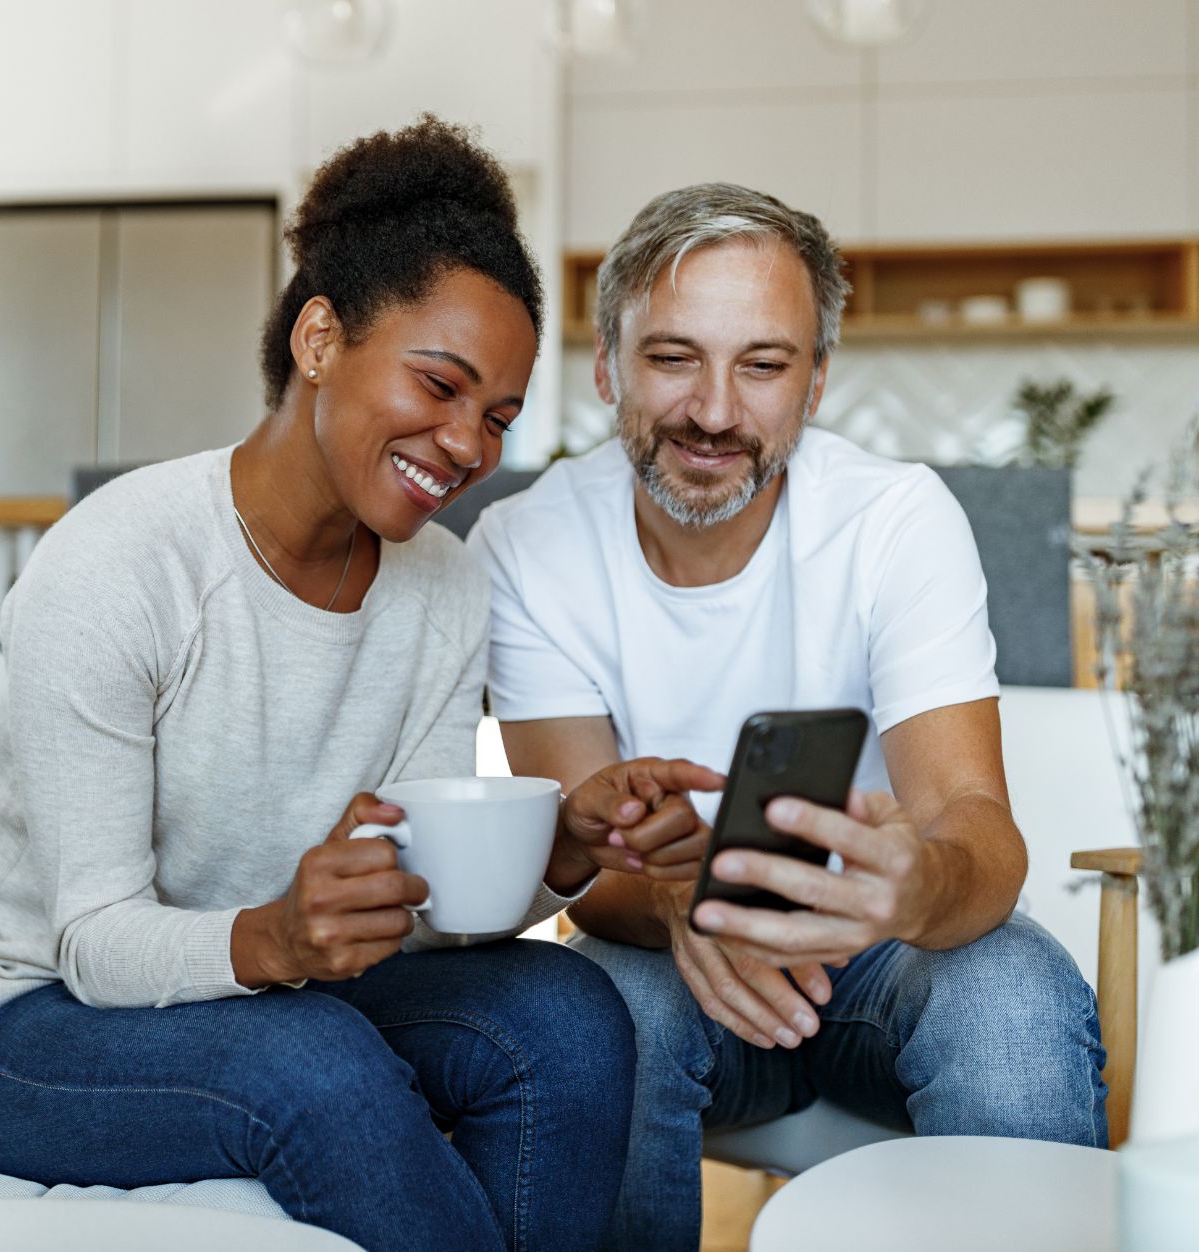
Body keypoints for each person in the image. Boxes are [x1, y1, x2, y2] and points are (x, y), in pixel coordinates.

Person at [0, 119, 723, 1252]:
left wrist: (564, 851)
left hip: (291, 987)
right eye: (440, 384)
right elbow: (95, 940)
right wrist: (273, 939)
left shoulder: (445, 587)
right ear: (320, 337)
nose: (466, 443)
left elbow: (410, 905)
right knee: (312, 1064)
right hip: (35, 1020)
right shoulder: (122, 561)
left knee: (567, 1016)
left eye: (499, 416)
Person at [467, 182, 1108, 1250]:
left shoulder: (895, 520)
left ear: (814, 385)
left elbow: (976, 829)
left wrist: (917, 882)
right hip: (664, 964)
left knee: (1008, 990)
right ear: (605, 366)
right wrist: (680, 898)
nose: (714, 411)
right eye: (673, 357)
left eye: (762, 365)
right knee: (599, 1016)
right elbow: (585, 856)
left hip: (870, 953)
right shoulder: (526, 548)